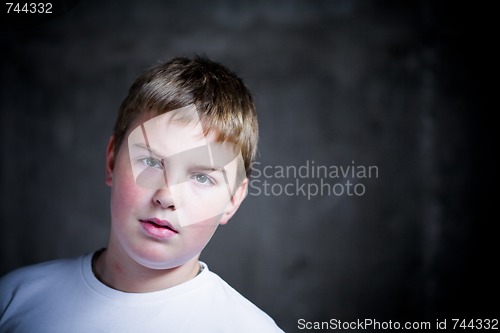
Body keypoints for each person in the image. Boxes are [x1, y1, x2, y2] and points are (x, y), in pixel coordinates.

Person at [0, 56, 285, 332]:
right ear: (112, 161)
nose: (166, 196)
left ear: (233, 200)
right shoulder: (13, 298)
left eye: (201, 177)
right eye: (151, 162)